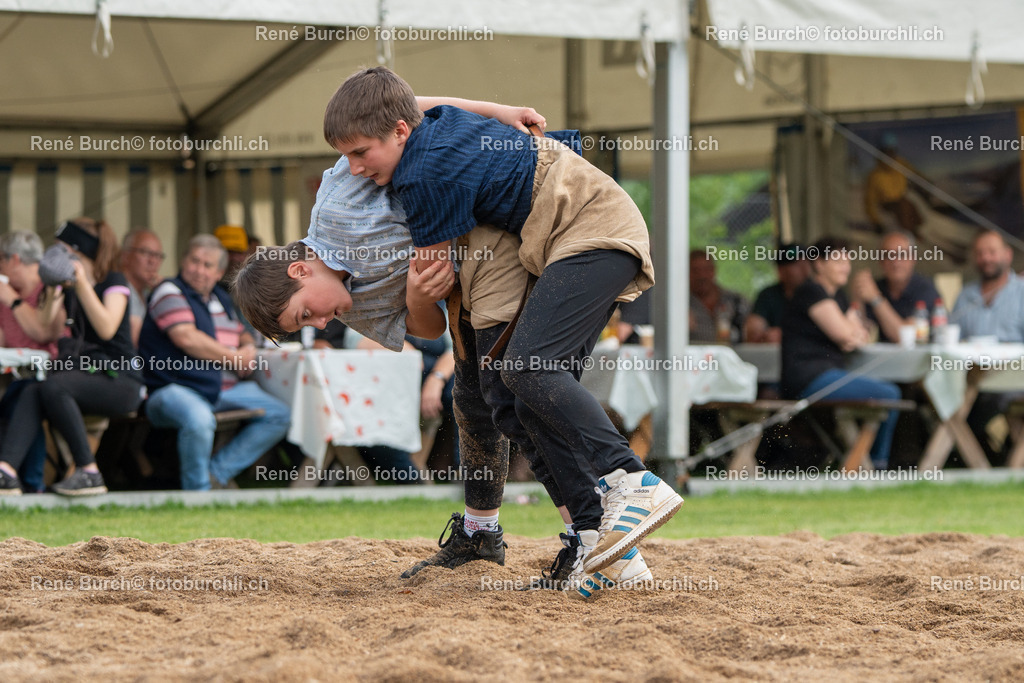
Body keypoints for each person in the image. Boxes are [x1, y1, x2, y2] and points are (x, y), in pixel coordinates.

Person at [239, 67, 681, 580]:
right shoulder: (351, 302)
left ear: (299, 270)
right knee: (492, 400)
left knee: (519, 383)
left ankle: (616, 498)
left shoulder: (342, 194)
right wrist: (415, 295)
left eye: (304, 314)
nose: (318, 324)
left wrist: (497, 112)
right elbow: (425, 327)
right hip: (481, 262)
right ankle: (581, 537)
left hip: (514, 242)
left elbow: (402, 107)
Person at [0, 218, 144, 496]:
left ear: (77, 251)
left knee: (54, 386)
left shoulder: (113, 280)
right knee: (32, 390)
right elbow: (44, 325)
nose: (54, 255)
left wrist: (81, 283)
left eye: (61, 249)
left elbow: (106, 328)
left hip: (122, 379)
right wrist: (52, 287)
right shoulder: (67, 287)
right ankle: (6, 471)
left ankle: (88, 471)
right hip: (87, 375)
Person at [139, 234, 290, 491]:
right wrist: (235, 358)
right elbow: (186, 337)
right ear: (183, 261)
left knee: (279, 415)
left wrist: (247, 346)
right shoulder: (169, 291)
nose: (199, 270)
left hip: (221, 389)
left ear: (219, 272)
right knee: (200, 419)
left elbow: (242, 331)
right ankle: (198, 492)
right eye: (194, 261)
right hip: (174, 388)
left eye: (207, 265)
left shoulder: (220, 298)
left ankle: (215, 474)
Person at [780, 236, 901, 469]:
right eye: (838, 261)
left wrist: (854, 327)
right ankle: (877, 464)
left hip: (827, 375)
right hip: (809, 378)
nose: (845, 267)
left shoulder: (837, 297)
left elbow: (862, 333)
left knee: (887, 390)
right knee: (889, 394)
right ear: (819, 264)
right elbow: (846, 336)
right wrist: (852, 332)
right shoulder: (811, 292)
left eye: (847, 261)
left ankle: (866, 463)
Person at [950, 229, 1024, 461]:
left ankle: (965, 452)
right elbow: (952, 338)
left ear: (1007, 255)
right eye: (980, 253)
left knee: (987, 400)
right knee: (950, 397)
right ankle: (981, 455)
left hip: (1015, 379)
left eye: (992, 252)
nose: (986, 258)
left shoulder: (1021, 290)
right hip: (972, 377)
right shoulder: (966, 295)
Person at [0, 231, 60, 493]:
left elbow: (43, 333)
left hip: (56, 375)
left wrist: (12, 300)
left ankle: (31, 484)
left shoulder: (51, 288)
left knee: (24, 397)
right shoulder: (6, 296)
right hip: (18, 377)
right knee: (15, 396)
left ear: (13, 259)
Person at [850, 231, 942, 343]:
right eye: (889, 255)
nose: (896, 262)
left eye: (902, 254)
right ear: (880, 261)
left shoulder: (925, 289)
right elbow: (858, 335)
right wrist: (858, 296)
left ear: (913, 258)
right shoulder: (877, 286)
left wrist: (876, 299)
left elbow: (905, 338)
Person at [744, 243, 809, 343]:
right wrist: (765, 334)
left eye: (806, 263)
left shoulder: (818, 293)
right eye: (796, 264)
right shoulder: (769, 295)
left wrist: (787, 334)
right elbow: (754, 330)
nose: (803, 268)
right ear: (781, 270)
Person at [690, 248, 750, 343]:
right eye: (695, 270)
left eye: (706, 269)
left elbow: (752, 334)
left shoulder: (737, 301)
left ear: (714, 270)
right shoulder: (679, 304)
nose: (702, 275)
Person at [120, 229, 166, 347]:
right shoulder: (118, 290)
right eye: (145, 252)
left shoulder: (150, 294)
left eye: (158, 255)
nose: (153, 261)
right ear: (125, 255)